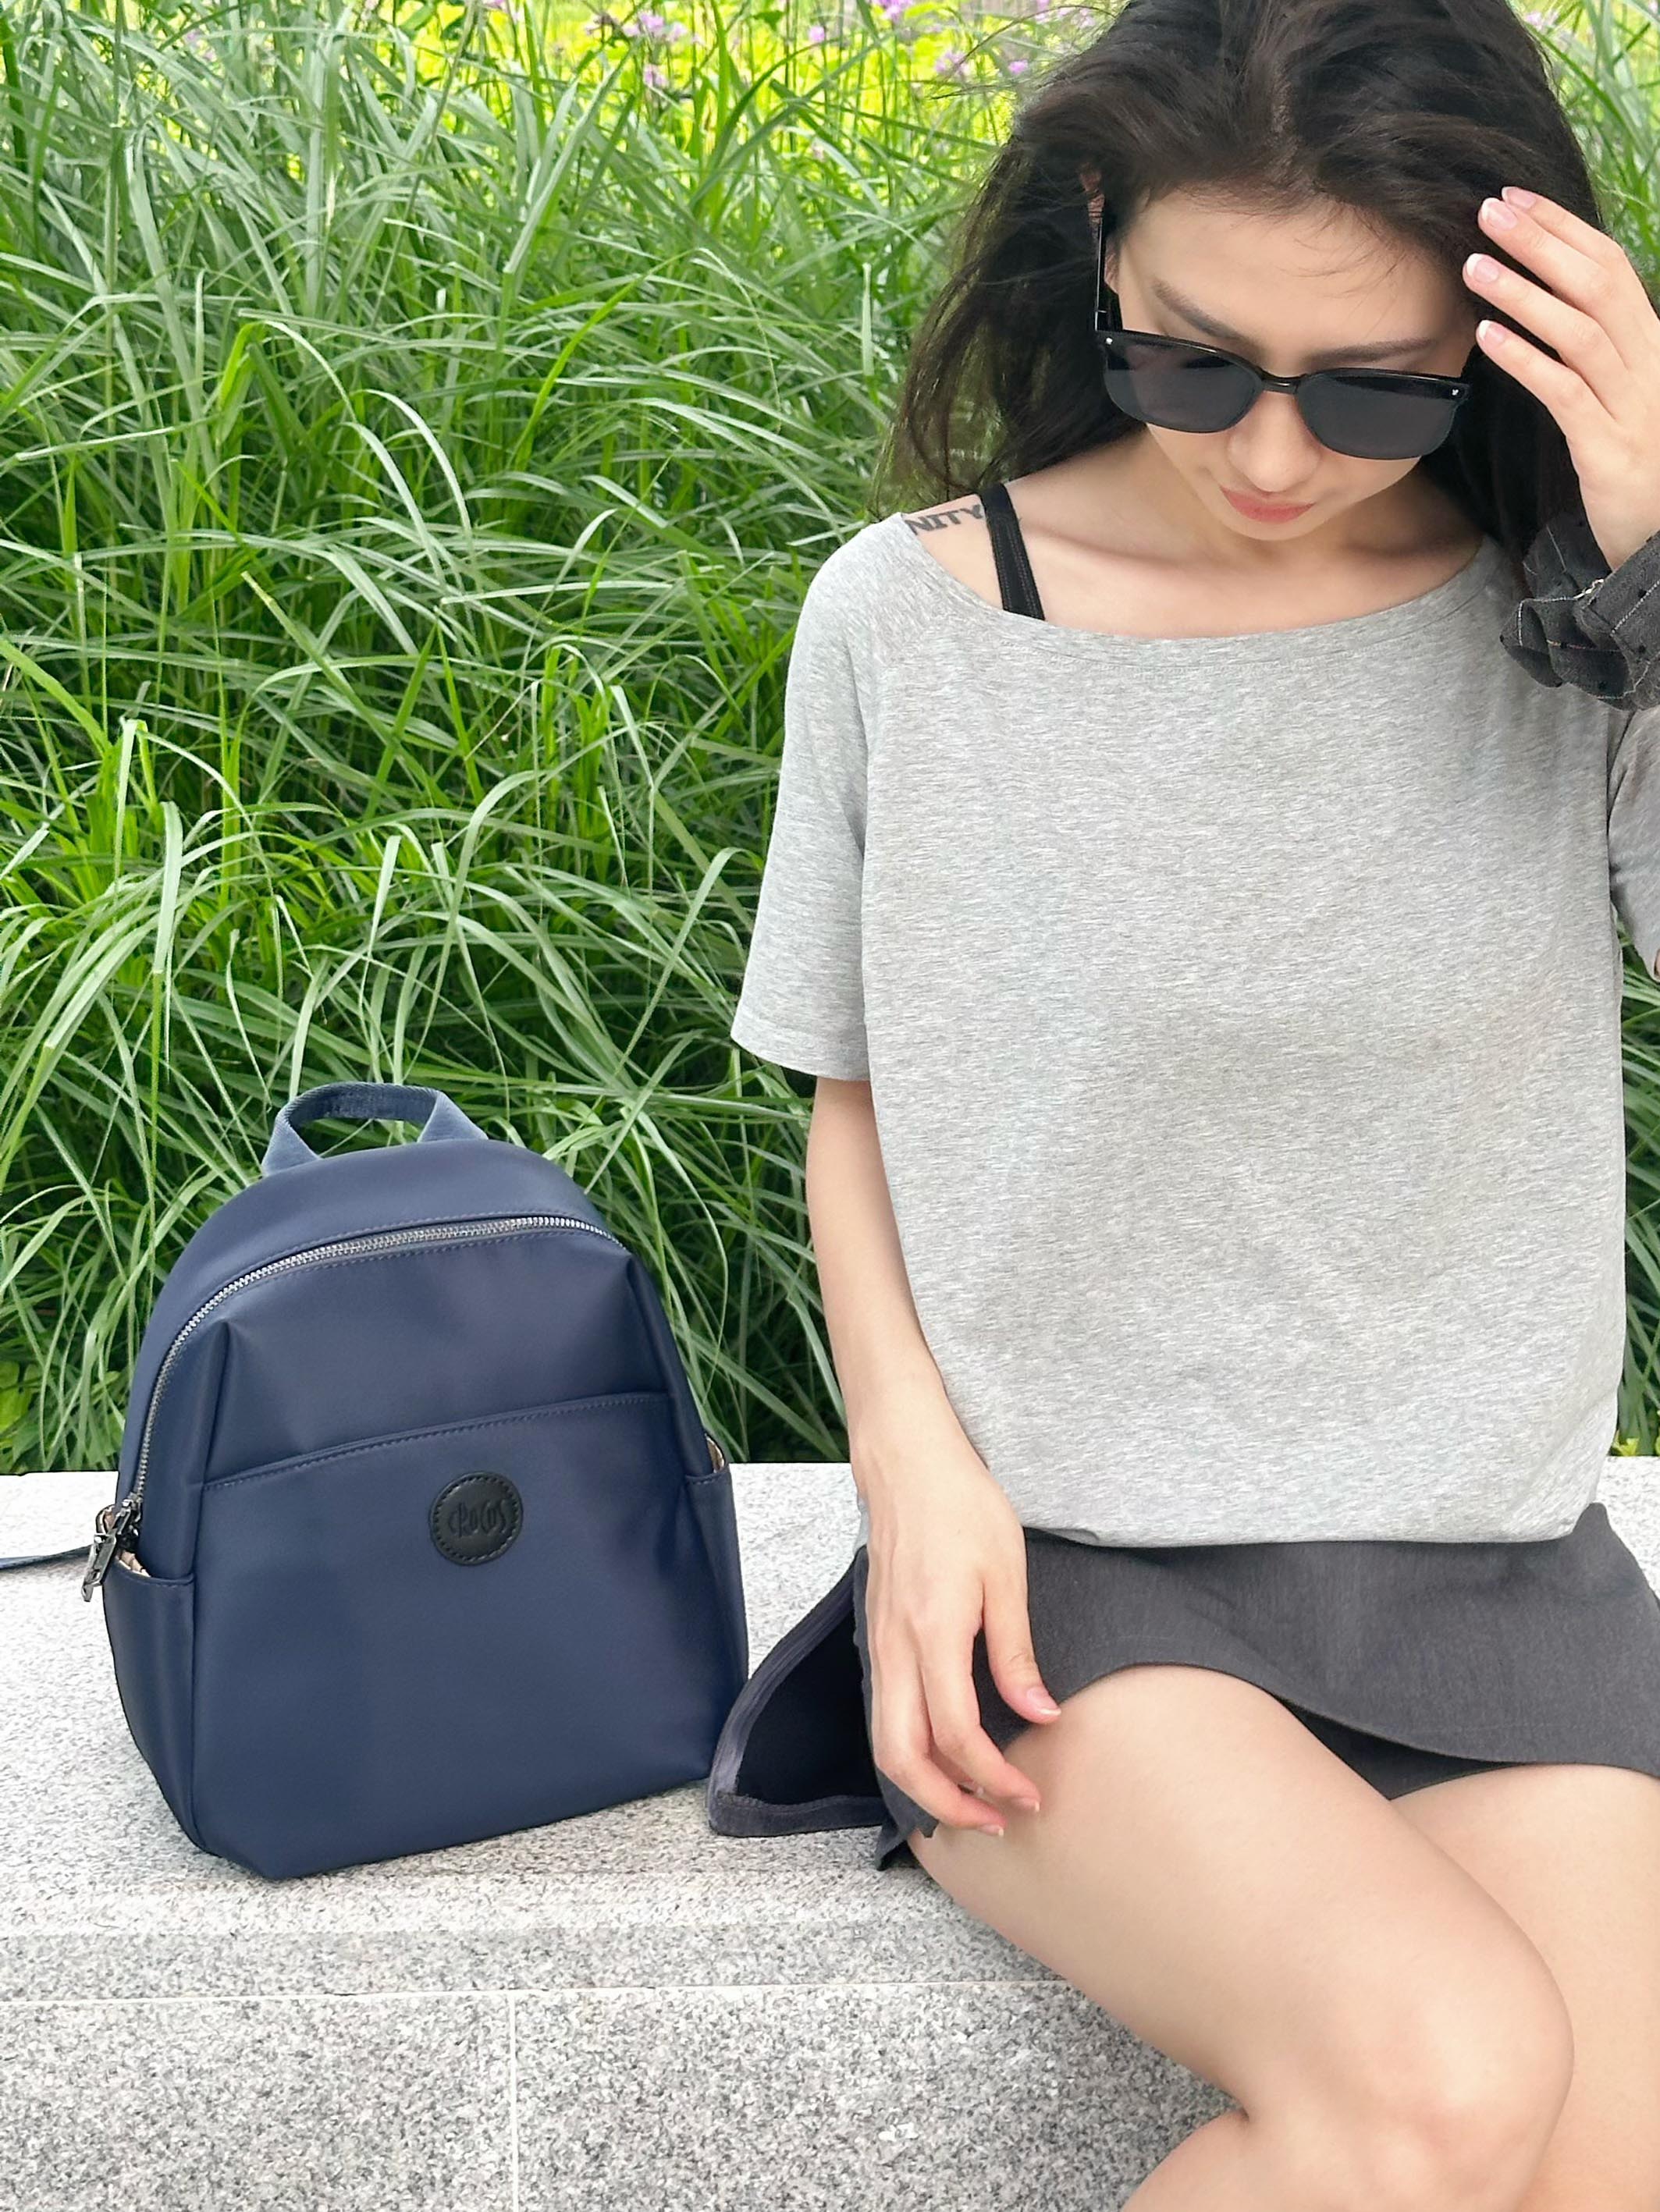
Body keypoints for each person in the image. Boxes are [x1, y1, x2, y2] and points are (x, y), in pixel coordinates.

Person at [722, 0, 1660, 2203]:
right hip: (1067, 1573)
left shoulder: (1567, 632)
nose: (1272, 455)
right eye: (1199, 362)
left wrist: (1659, 559)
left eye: (1376, 386)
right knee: (1438, 2075)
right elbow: (857, 1087)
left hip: (1489, 1566)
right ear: (1099, 243)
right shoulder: (909, 623)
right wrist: (913, 1474)